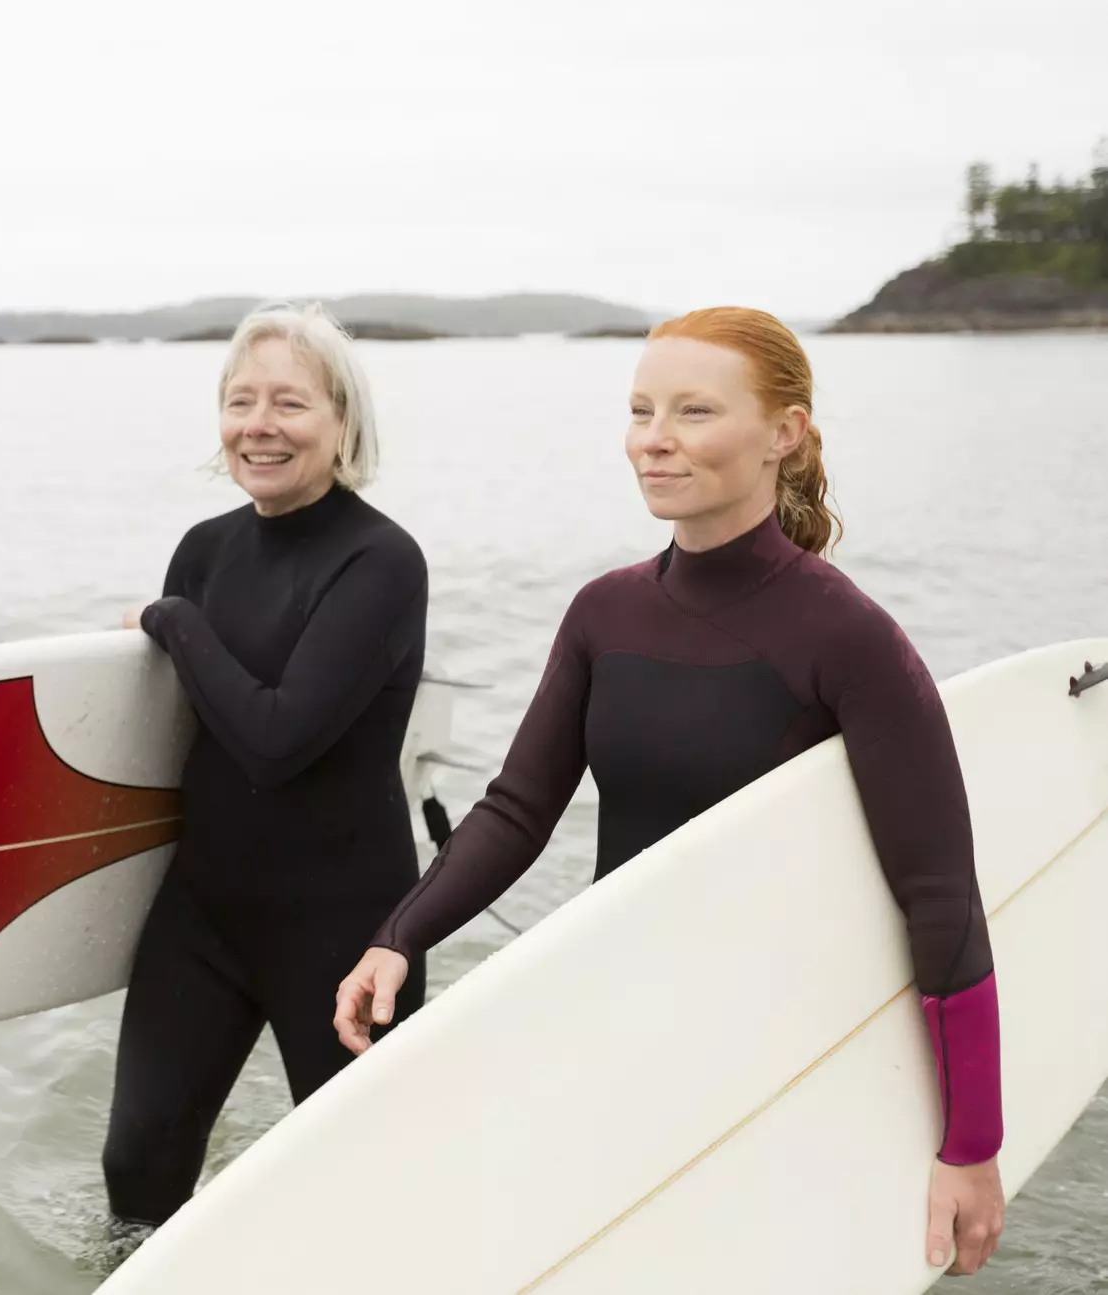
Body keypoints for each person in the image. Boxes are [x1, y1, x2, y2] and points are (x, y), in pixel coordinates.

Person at [332, 306, 1006, 1277]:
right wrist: (399, 935)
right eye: (641, 408)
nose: (653, 437)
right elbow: (518, 809)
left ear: (785, 431)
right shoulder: (604, 612)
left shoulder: (845, 635)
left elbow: (938, 890)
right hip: (619, 1013)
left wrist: (969, 1146)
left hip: (772, 1041)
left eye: (692, 410)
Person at [102, 302, 430, 1229]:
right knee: (137, 1171)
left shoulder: (380, 560)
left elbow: (277, 740)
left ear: (341, 421)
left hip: (344, 933)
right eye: (240, 400)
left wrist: (170, 618)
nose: (260, 424)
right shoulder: (205, 550)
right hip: (203, 913)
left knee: (365, 1194)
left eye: (290, 402)